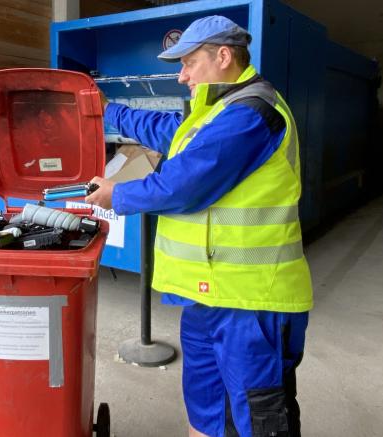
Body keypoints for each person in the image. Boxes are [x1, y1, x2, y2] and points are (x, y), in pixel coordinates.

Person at [84, 15, 313, 437]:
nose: (182, 74)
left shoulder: (253, 113)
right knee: (206, 404)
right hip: (208, 293)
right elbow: (165, 130)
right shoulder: (217, 112)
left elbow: (184, 184)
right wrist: (108, 109)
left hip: (252, 299)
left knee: (256, 414)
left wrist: (117, 196)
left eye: (189, 62)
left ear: (223, 56)